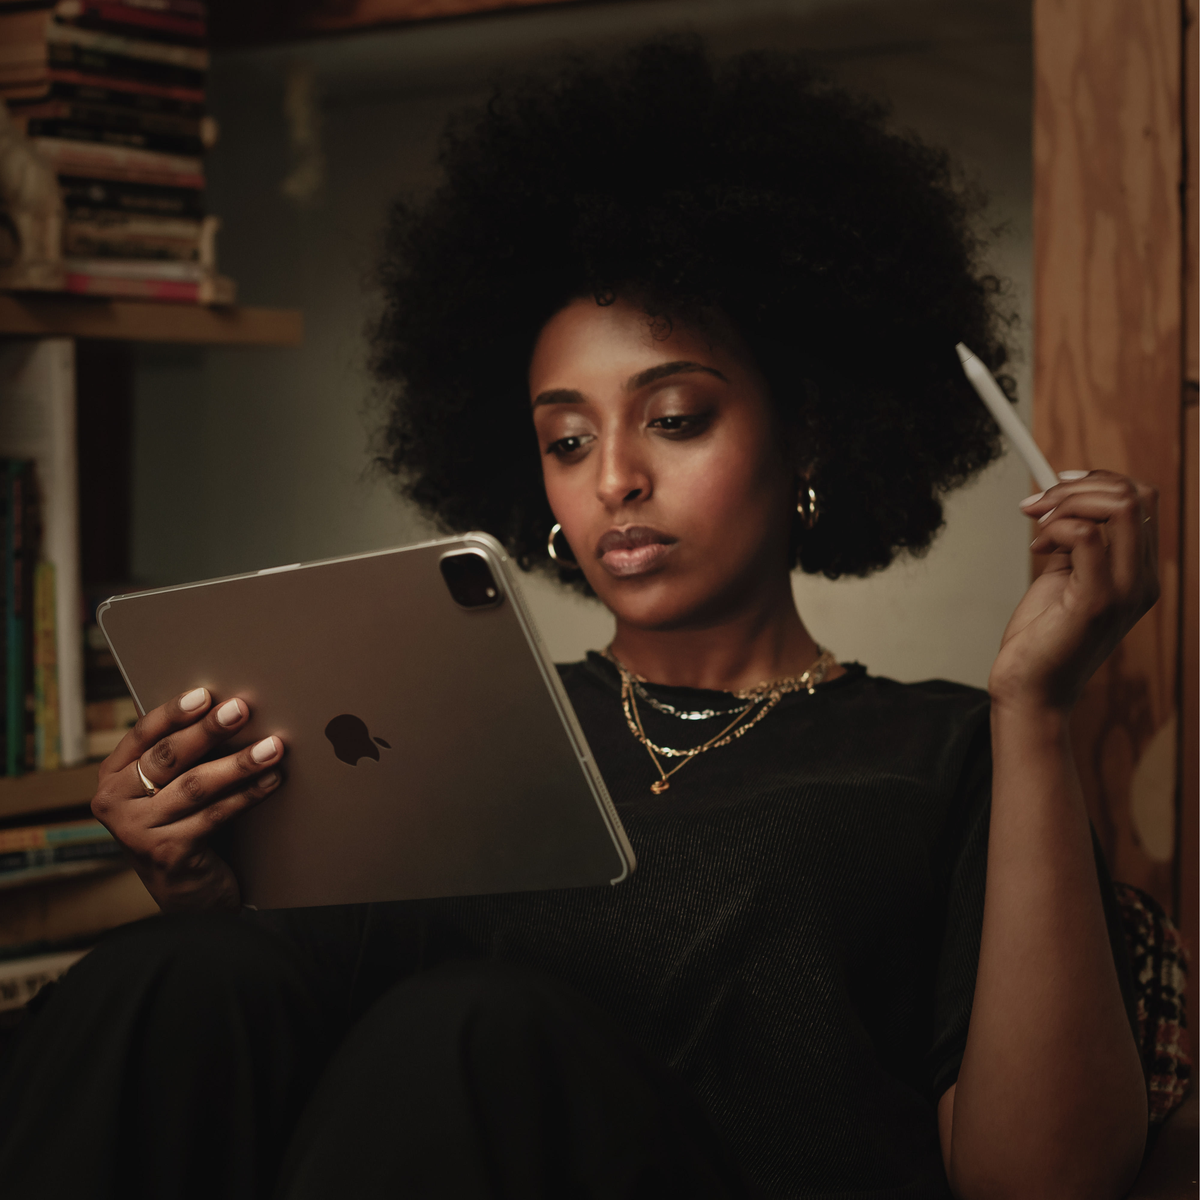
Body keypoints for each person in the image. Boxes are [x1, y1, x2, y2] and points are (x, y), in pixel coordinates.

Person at [0, 38, 1157, 1200]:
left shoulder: (954, 751)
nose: (614, 480)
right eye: (567, 439)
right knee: (178, 972)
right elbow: (278, 1045)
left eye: (677, 417)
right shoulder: (462, 726)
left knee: (471, 1031)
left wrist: (1037, 707)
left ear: (806, 432)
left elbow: (1046, 1183)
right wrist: (202, 884)